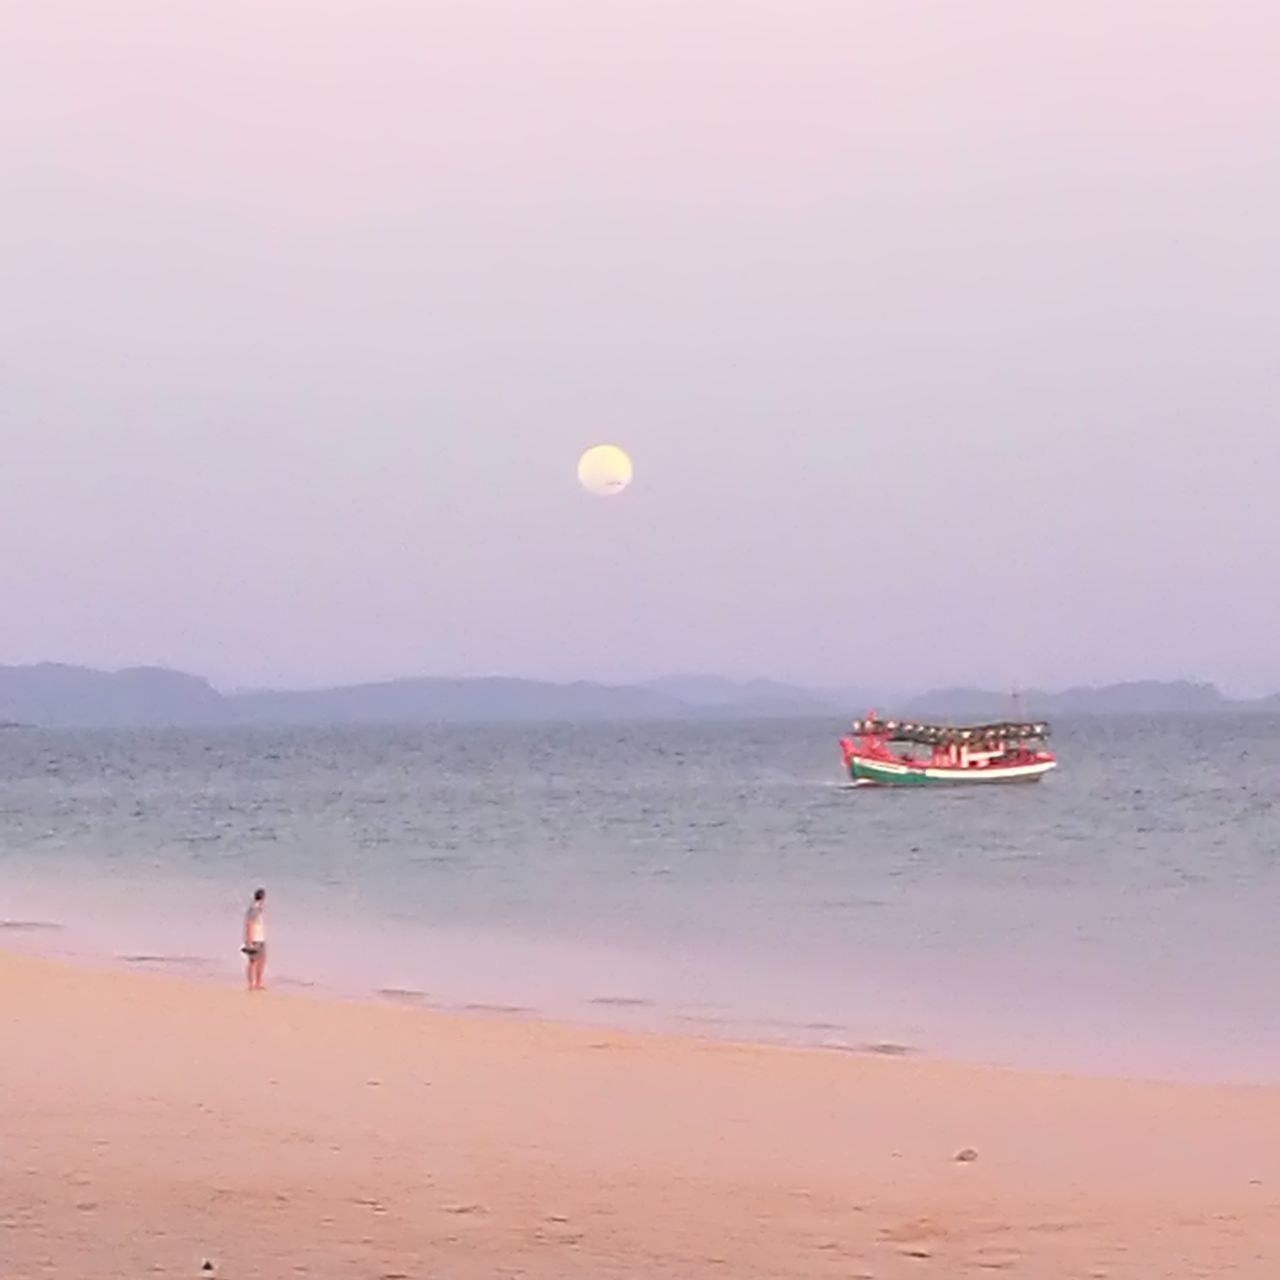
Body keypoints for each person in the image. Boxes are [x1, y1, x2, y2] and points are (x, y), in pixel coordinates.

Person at [242, 888, 267, 990]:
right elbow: (248, 924)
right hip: (255, 939)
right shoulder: (254, 910)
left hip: (260, 938)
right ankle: (252, 983)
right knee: (253, 962)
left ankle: (256, 983)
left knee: (260, 961)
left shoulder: (257, 909)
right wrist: (249, 940)